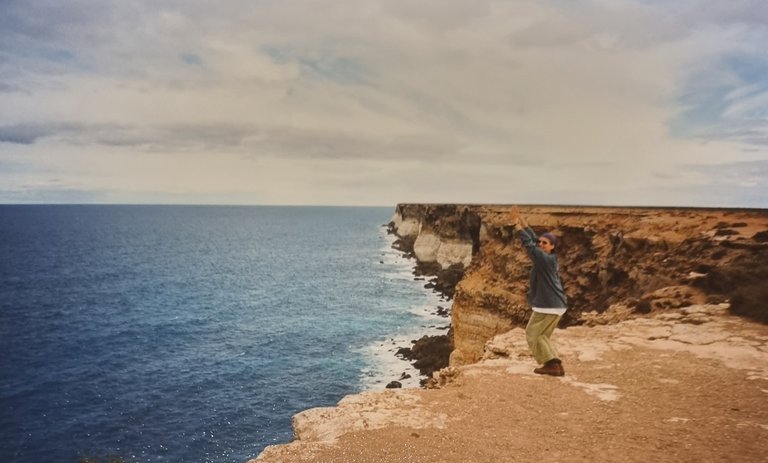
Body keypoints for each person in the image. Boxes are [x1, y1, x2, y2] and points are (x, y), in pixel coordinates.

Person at [511, 206, 567, 376]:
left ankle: (550, 364)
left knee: (532, 334)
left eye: (545, 243)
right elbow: (534, 240)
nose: (541, 244)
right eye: (541, 242)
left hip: (547, 305)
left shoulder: (544, 259)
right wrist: (522, 220)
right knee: (542, 335)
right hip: (557, 304)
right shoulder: (550, 258)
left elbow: (530, 245)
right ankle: (555, 364)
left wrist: (516, 225)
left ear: (552, 247)